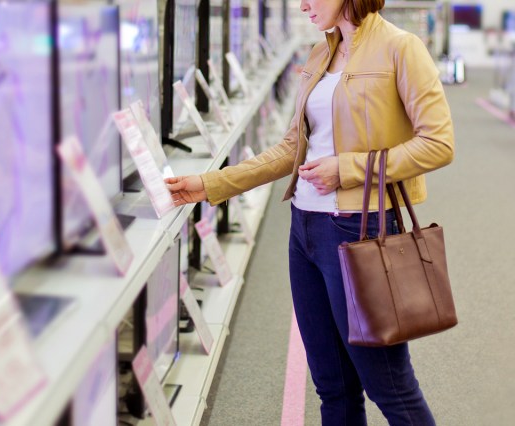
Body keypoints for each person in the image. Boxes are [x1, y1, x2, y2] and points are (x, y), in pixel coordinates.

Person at [166, 0, 454, 424]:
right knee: (333, 387)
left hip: (360, 231)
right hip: (304, 230)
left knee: (389, 387)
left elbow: (439, 142)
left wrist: (349, 167)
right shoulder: (322, 52)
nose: (301, 5)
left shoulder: (401, 47)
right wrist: (212, 184)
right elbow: (291, 148)